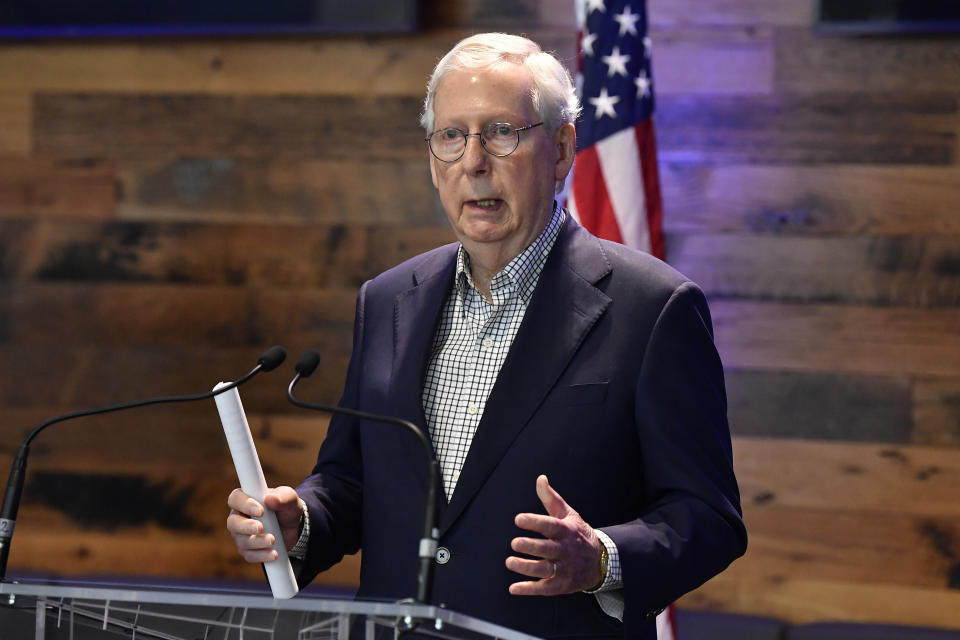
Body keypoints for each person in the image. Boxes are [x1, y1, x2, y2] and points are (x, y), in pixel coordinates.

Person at [227, 32, 747, 639]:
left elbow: (707, 517)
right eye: (452, 136)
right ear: (432, 159)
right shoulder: (388, 299)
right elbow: (353, 481)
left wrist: (602, 558)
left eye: (501, 132)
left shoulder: (654, 308)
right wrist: (303, 522)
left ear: (560, 149)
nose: (473, 161)